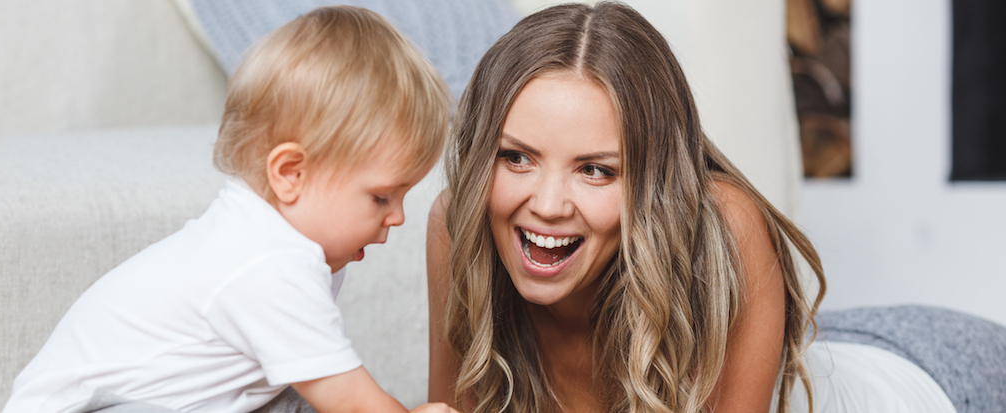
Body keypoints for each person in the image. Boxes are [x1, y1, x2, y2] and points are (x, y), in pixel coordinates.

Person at [426, 3, 1006, 413]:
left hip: (941, 376)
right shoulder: (462, 223)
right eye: (517, 158)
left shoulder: (723, 226)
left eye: (596, 170)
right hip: (818, 350)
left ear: (653, 182)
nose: (547, 205)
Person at [4, 6, 456, 413]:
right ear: (290, 173)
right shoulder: (265, 264)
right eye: (381, 197)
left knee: (293, 396)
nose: (397, 217)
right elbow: (353, 403)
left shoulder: (280, 240)